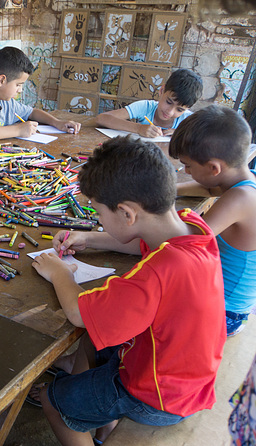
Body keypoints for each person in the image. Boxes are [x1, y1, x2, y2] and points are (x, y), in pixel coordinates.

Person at [28, 136, 225, 446]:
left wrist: (60, 273)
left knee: (55, 401)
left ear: (126, 213)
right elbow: (139, 242)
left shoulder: (157, 274)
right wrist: (89, 238)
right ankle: (101, 424)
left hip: (157, 396)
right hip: (188, 378)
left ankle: (86, 414)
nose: (99, 222)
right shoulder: (192, 226)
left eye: (99, 215)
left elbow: (79, 313)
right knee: (95, 339)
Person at [168, 105, 256, 336]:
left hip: (224, 314)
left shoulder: (240, 199)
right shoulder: (244, 182)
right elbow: (209, 188)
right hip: (221, 301)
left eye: (187, 166)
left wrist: (95, 238)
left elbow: (180, 240)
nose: (185, 170)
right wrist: (171, 190)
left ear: (214, 168)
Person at [0, 46, 81, 140]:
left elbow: (32, 112)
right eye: (18, 85)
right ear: (1, 80)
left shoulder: (7, 102)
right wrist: (19, 130)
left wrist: (57, 123)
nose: (20, 90)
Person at [96, 68, 203, 139]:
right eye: (168, 102)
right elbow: (102, 118)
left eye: (179, 110)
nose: (170, 112)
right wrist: (138, 128)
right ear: (162, 90)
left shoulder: (188, 120)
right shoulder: (145, 107)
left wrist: (181, 134)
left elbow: (205, 138)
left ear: (187, 108)